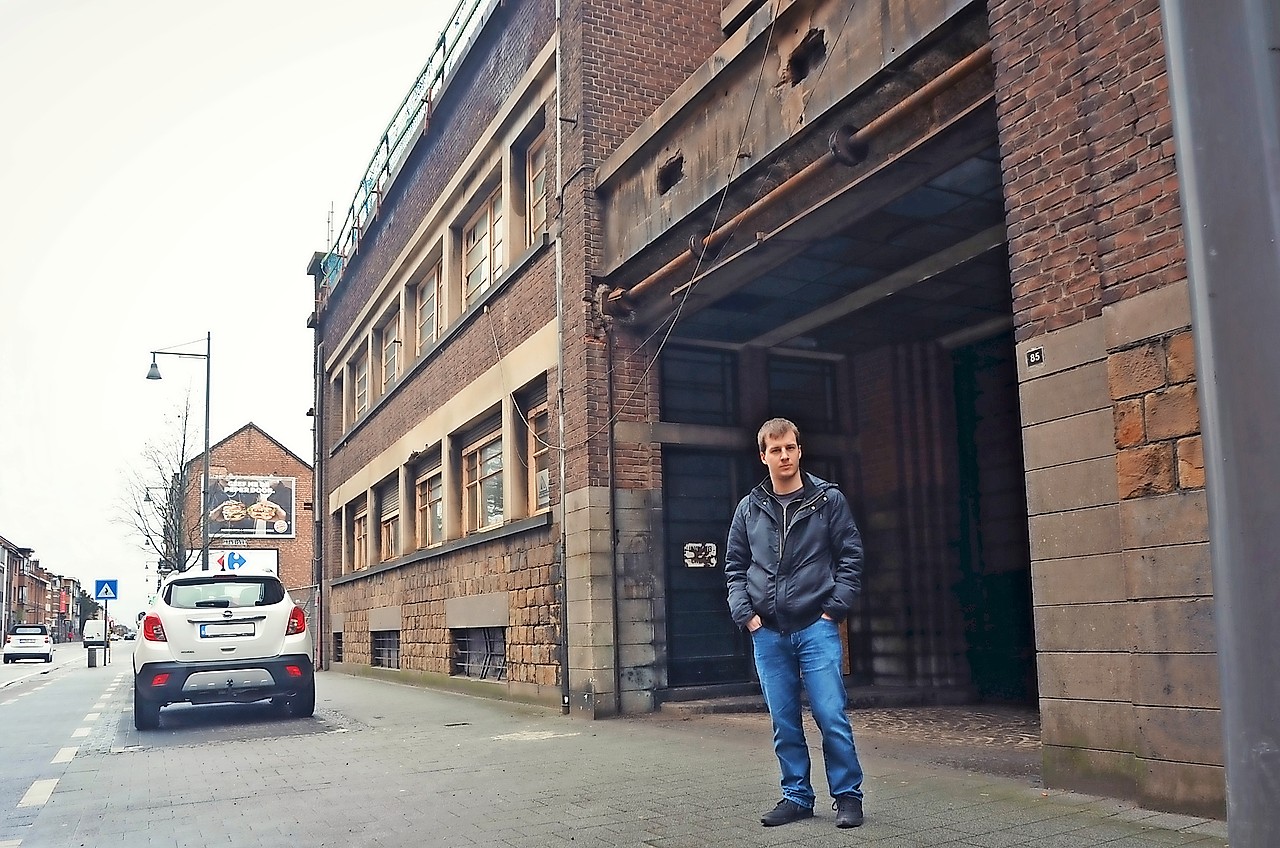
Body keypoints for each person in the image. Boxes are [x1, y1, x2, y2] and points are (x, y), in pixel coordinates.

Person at [724, 417, 866, 828]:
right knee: (783, 721)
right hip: (767, 632)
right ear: (763, 456)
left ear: (799, 450)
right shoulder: (749, 508)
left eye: (790, 448)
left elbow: (850, 556)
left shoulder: (827, 500)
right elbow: (735, 566)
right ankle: (797, 796)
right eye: (775, 450)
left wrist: (833, 610)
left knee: (830, 714)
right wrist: (747, 617)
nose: (784, 456)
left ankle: (848, 796)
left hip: (815, 627)